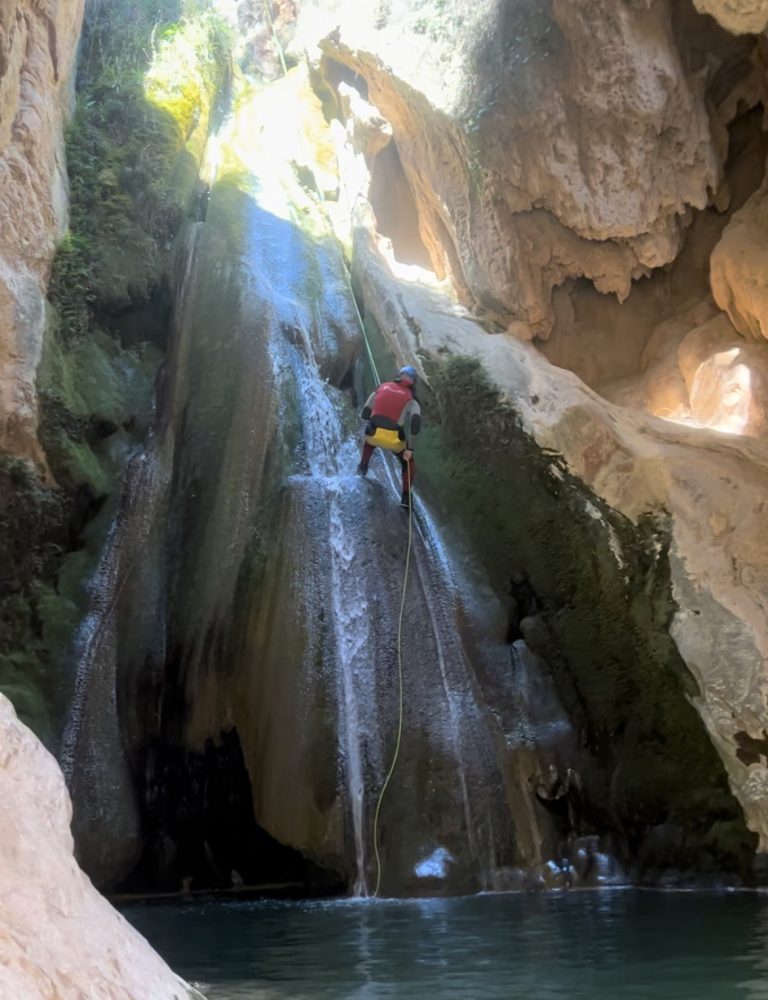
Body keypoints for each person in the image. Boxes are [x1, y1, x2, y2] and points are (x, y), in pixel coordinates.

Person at [358, 365, 421, 508]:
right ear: (413, 381)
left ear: (399, 376)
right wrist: (410, 449)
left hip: (373, 434)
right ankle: (406, 497)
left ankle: (362, 468)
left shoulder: (381, 387)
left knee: (369, 443)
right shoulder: (411, 398)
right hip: (394, 439)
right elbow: (415, 424)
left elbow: (365, 414)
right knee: (408, 462)